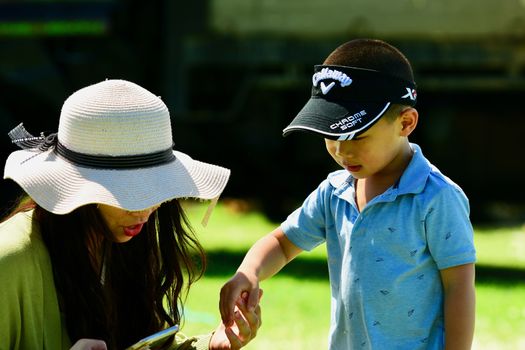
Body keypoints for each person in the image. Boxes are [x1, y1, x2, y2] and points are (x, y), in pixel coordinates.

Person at [219, 39, 476, 349]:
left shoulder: (435, 198)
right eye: (331, 135)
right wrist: (249, 272)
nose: (341, 150)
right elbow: (282, 244)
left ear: (406, 122)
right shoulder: (335, 192)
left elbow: (459, 287)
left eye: (357, 135)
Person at [0, 79, 261, 350]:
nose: (146, 209)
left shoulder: (122, 243)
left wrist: (213, 345)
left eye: (156, 190)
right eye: (129, 194)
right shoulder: (9, 257)